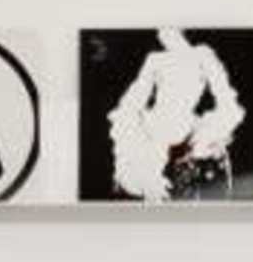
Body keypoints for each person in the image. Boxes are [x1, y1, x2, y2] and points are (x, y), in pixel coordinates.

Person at [104, 26, 245, 202]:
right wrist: (128, 123)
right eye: (159, 30)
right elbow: (134, 99)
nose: (161, 33)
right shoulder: (155, 59)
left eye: (168, 28)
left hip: (185, 127)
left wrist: (208, 135)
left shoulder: (202, 55)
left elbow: (227, 100)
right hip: (155, 127)